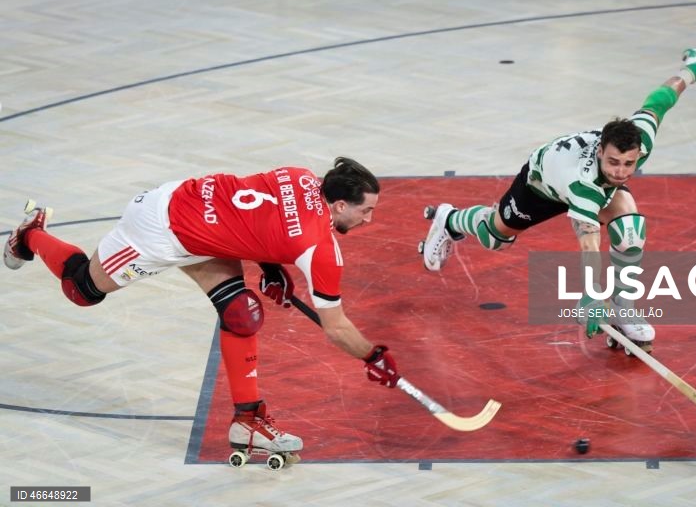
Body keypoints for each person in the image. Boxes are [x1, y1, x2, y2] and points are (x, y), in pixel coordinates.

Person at [3, 156, 400, 458]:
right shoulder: (320, 250)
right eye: (366, 210)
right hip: (160, 230)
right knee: (82, 290)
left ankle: (247, 421)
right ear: (339, 205)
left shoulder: (298, 176)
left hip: (200, 222)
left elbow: (259, 217)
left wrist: (270, 268)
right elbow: (336, 327)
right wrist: (372, 355)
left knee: (242, 314)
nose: (370, 219)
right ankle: (31, 237)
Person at [419, 48, 696, 352]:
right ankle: (449, 219)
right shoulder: (583, 183)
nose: (620, 172)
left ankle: (624, 305)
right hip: (541, 187)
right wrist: (590, 294)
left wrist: (693, 69)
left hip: (584, 187)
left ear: (639, 154)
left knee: (628, 226)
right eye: (613, 162)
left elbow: (661, 99)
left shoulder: (640, 140)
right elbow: (588, 243)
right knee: (495, 237)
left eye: (628, 164)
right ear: (600, 151)